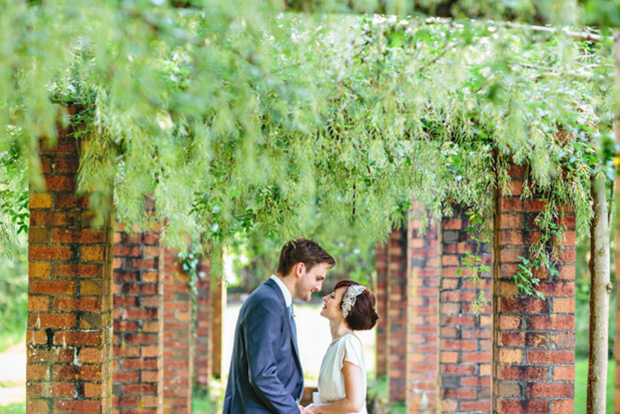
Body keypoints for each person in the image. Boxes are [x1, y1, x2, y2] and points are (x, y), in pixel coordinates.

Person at [223, 238, 336, 414]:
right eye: (317, 278)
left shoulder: (275, 300)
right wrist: (293, 411)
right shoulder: (267, 303)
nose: (319, 287)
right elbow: (263, 375)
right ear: (300, 269)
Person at [304, 280, 379, 414]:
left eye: (332, 297)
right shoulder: (337, 344)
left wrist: (315, 408)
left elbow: (354, 404)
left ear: (347, 310)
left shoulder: (348, 344)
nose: (325, 298)